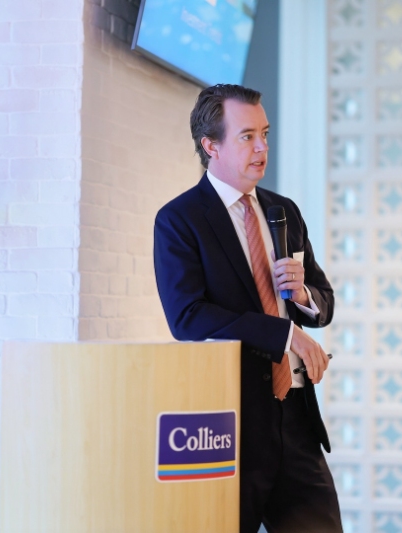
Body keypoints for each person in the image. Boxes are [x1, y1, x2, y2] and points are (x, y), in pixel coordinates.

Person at [153, 84, 341, 533]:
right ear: (211, 145)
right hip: (231, 422)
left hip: (296, 418)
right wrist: (284, 334)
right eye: (247, 136)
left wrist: (303, 297)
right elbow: (187, 317)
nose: (262, 148)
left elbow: (324, 301)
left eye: (265, 134)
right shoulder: (180, 220)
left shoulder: (284, 211)